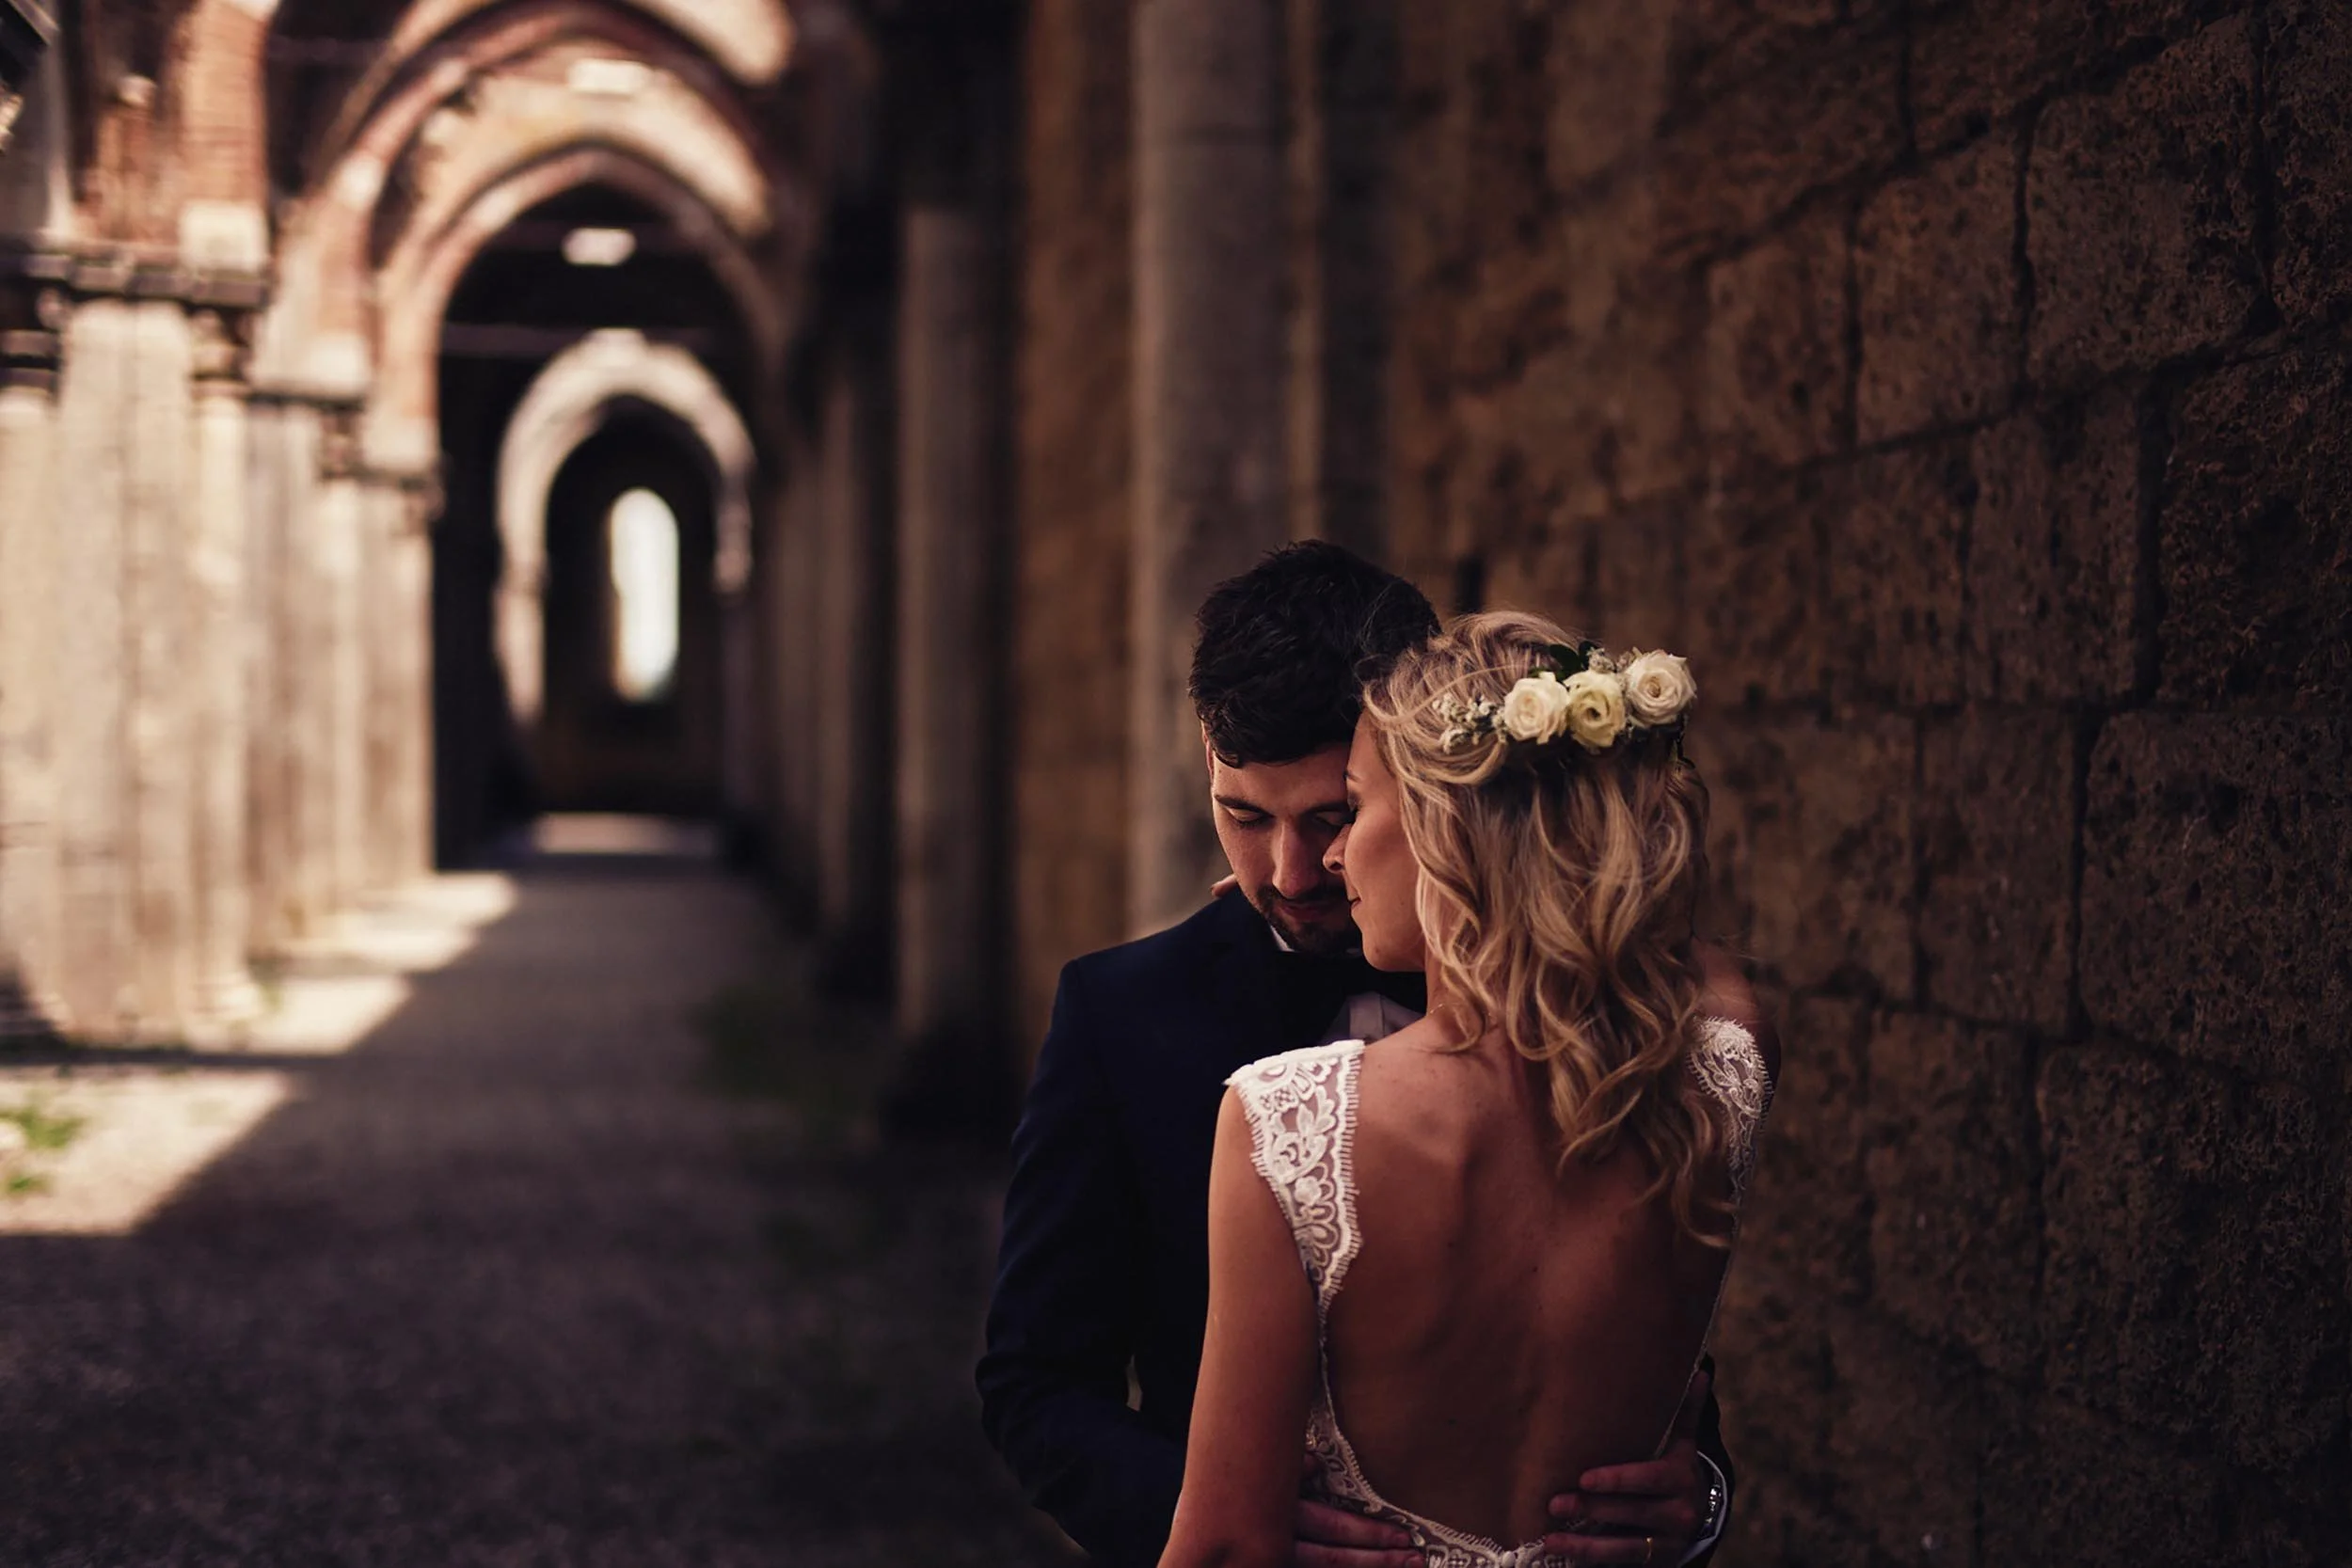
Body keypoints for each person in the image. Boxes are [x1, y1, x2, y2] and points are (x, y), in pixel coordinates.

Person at [978, 548, 1736, 1568]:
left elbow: (1633, 1325)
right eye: (1243, 815)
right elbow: (1035, 1384)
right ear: (1206, 758)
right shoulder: (1120, 1015)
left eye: (1333, 817)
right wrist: (1227, 1513)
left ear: (1424, 785)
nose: (1293, 872)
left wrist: (1703, 1491)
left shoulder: (1592, 1015)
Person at [1157, 611, 1779, 1568]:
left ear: (1441, 827)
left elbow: (1225, 1549)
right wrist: (1570, 838)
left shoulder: (1284, 1119)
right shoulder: (1723, 1063)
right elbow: (1685, 957)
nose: (1326, 858)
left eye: (1353, 808)